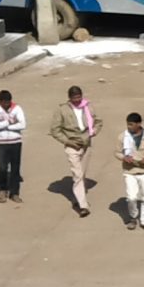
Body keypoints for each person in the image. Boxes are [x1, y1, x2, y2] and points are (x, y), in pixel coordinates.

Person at [52, 83, 97, 218]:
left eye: (79, 97)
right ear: (70, 98)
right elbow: (55, 130)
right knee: (77, 175)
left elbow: (98, 121)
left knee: (82, 174)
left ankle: (78, 196)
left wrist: (94, 131)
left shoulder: (88, 107)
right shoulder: (62, 110)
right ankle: (83, 206)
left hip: (86, 144)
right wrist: (67, 141)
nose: (77, 100)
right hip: (72, 145)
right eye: (74, 98)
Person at [119, 111, 144, 232]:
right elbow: (117, 152)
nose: (129, 127)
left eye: (131, 124)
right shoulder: (123, 136)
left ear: (139, 124)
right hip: (130, 171)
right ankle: (133, 217)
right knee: (131, 197)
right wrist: (124, 157)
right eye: (128, 124)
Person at [0, 88, 25, 203]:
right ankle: (2, 190)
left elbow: (22, 125)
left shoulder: (17, 108)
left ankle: (14, 193)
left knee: (15, 168)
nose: (6, 104)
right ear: (0, 101)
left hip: (16, 142)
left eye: (8, 102)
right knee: (3, 167)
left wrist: (6, 126)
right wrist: (9, 121)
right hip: (2, 143)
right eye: (4, 102)